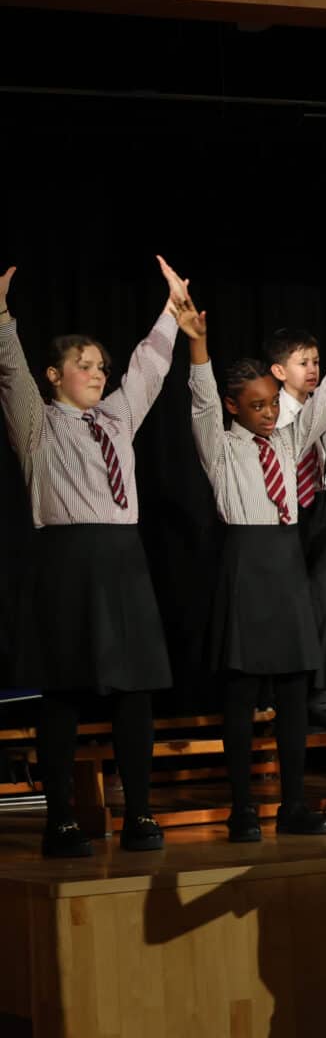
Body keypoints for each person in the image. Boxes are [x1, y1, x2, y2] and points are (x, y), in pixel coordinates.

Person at [0, 257, 188, 856]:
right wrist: (1, 315)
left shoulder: (117, 418)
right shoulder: (38, 425)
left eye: (100, 366)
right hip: (67, 561)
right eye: (83, 367)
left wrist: (172, 313)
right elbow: (9, 371)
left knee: (135, 692)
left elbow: (149, 369)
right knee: (63, 693)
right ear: (54, 375)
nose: (97, 374)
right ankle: (61, 820)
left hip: (122, 559)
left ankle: (140, 814)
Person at [186, 276, 326, 840]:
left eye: (272, 404)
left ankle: (293, 805)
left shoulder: (290, 439)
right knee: (243, 693)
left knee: (295, 689)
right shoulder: (218, 443)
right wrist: (197, 342)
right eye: (256, 406)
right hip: (246, 564)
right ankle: (243, 807)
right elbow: (199, 393)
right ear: (232, 407)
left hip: (288, 565)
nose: (269, 414)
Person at [263, 320, 326, 726]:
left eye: (315, 361)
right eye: (302, 363)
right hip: (286, 513)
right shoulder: (271, 411)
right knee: (286, 606)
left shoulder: (323, 408)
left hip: (323, 510)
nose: (313, 369)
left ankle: (319, 692)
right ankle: (278, 694)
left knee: (325, 604)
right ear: (279, 370)